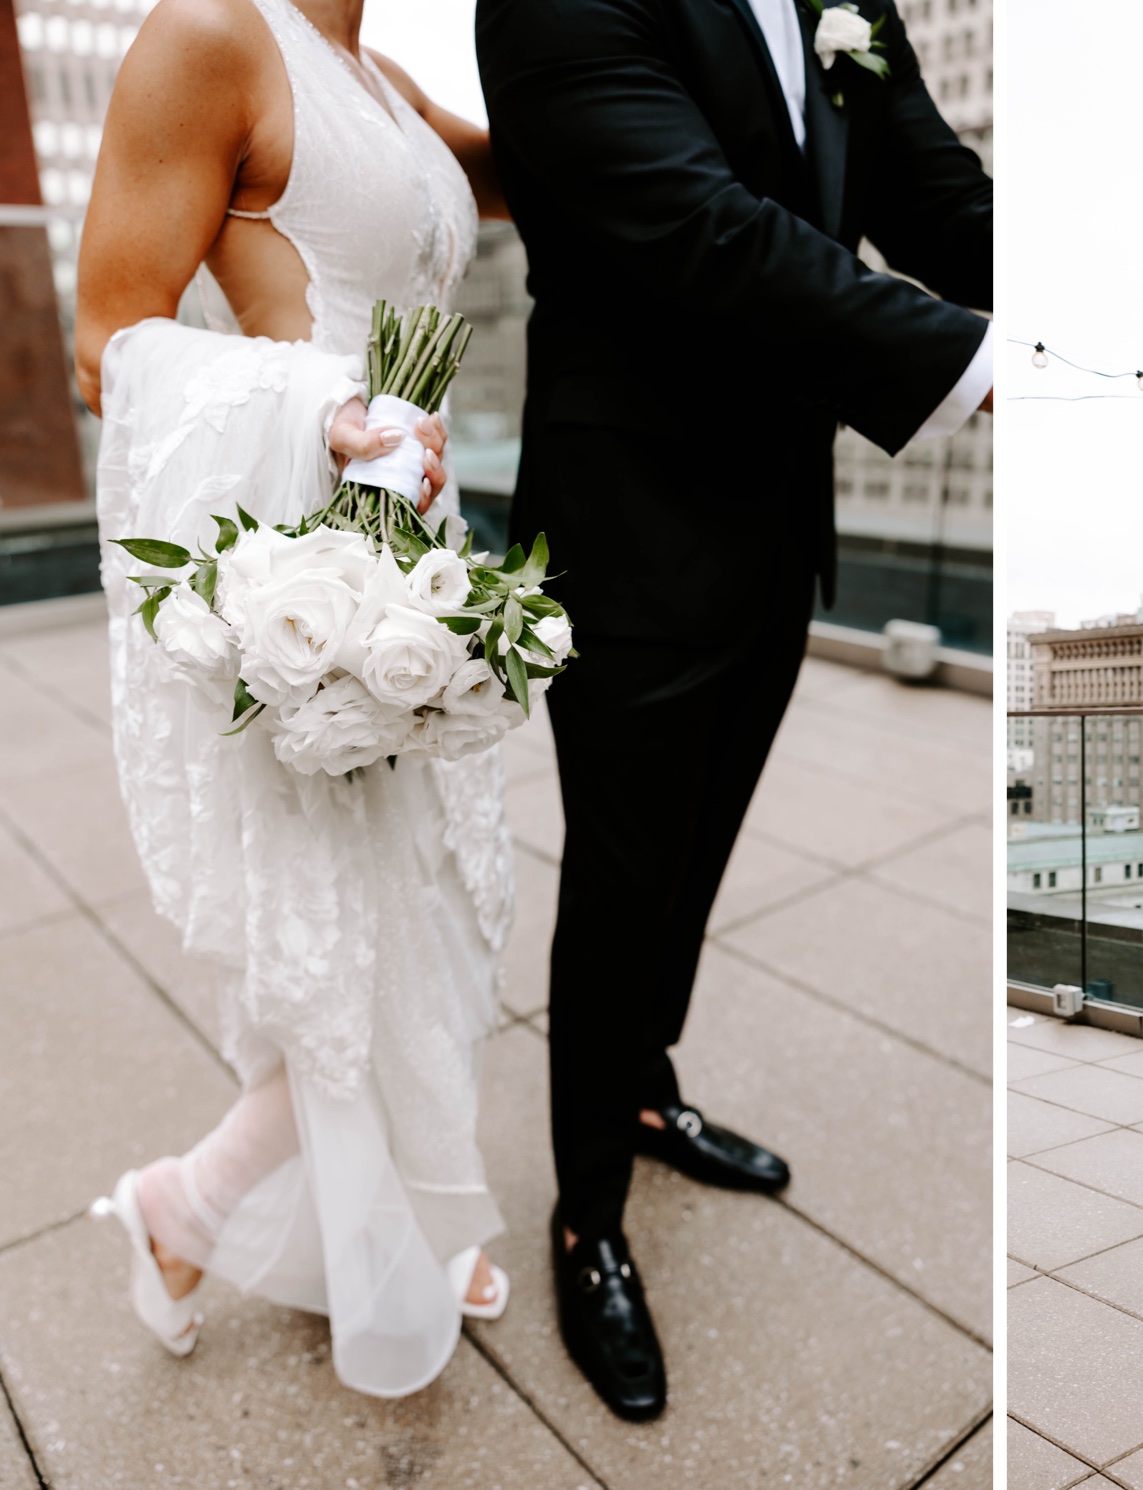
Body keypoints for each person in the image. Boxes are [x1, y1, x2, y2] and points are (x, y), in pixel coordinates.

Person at [475, 0, 993, 1420]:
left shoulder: (848, 4)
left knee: (696, 853)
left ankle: (646, 1087)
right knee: (625, 871)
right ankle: (587, 1216)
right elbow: (700, 228)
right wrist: (968, 359)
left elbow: (937, 191)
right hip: (632, 520)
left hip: (782, 516)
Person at [75, 0, 515, 1397]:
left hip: (417, 551)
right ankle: (189, 1208)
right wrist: (314, 408)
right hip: (305, 558)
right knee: (361, 936)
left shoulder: (378, 77)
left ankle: (361, 1215)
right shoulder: (209, 34)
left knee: (428, 909)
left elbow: (516, 166)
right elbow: (107, 338)